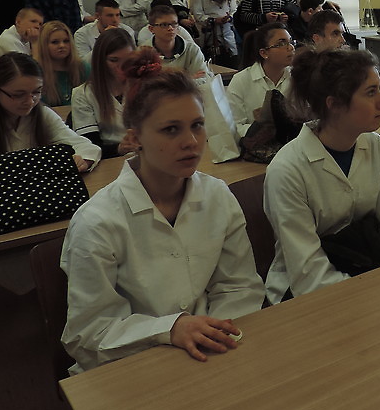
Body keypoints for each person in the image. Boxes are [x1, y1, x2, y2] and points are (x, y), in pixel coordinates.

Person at [61, 48, 264, 373]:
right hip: (128, 368)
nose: (191, 142)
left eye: (197, 125)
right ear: (134, 137)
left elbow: (239, 286)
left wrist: (215, 333)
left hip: (209, 356)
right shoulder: (97, 221)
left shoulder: (217, 195)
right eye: (171, 129)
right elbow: (88, 335)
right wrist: (169, 329)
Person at [263, 47, 380, 302]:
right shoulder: (287, 170)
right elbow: (309, 274)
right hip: (306, 297)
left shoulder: (375, 146)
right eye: (370, 92)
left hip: (369, 273)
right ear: (335, 104)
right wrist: (377, 296)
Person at [0, 52, 100, 169]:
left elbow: (86, 146)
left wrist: (83, 159)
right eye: (19, 95)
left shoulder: (42, 114)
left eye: (36, 92)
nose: (30, 102)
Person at [71, 28, 137, 158]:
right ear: (100, 60)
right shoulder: (83, 94)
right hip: (110, 159)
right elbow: (89, 145)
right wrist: (119, 148)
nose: (122, 67)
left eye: (128, 60)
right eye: (114, 60)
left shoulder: (145, 86)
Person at [227, 23, 295, 138]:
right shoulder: (241, 80)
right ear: (264, 53)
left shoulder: (297, 77)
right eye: (282, 43)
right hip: (256, 144)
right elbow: (235, 126)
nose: (291, 47)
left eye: (291, 41)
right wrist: (261, 129)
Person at [190, 0, 238, 67]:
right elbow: (198, 14)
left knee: (232, 63)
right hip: (209, 34)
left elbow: (235, 10)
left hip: (227, 33)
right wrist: (214, 20)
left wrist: (229, 18)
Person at [33, 21, 89, 107]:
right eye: (55, 42)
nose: (62, 45)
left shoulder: (83, 68)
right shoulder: (35, 71)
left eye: (66, 41)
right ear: (44, 45)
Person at [0, 8, 43, 87]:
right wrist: (35, 43)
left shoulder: (25, 39)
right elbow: (31, 74)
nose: (37, 26)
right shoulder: (8, 40)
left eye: (40, 24)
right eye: (33, 21)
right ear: (18, 22)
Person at [146, 5, 210, 79]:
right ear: (151, 29)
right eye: (164, 25)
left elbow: (204, 79)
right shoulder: (143, 53)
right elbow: (145, 83)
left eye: (174, 24)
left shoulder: (192, 49)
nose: (170, 28)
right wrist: (188, 79)